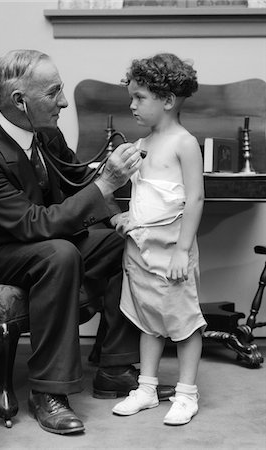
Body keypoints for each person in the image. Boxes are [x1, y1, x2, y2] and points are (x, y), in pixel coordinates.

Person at [0, 50, 174, 435]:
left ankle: (114, 366)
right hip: (3, 252)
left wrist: (119, 218)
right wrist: (107, 183)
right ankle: (48, 393)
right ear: (20, 101)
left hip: (52, 239)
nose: (64, 101)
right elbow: (29, 224)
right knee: (60, 253)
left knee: (128, 243)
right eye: (54, 92)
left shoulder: (47, 135)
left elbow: (76, 184)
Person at [111, 53, 207, 426]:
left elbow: (194, 198)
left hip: (172, 250)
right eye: (131, 97)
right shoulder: (143, 143)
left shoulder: (184, 143)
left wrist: (184, 248)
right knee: (147, 319)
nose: (132, 105)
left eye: (140, 97)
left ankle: (186, 394)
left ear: (167, 100)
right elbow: (147, 196)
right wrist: (128, 216)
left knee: (184, 323)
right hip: (141, 250)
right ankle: (147, 388)